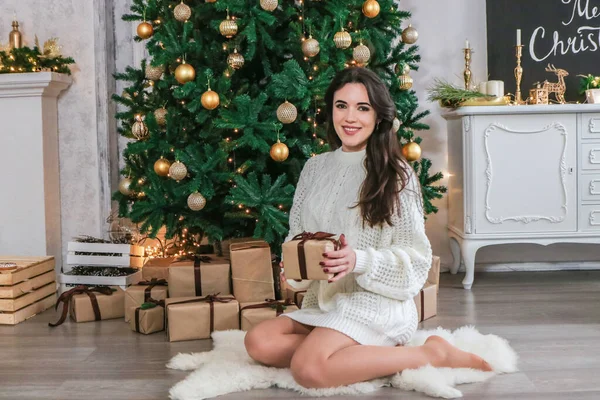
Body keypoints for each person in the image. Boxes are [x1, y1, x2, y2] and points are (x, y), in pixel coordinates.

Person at [244, 67, 492, 389]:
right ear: (331, 109)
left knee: (309, 370)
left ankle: (433, 354)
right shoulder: (314, 168)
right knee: (258, 342)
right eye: (341, 105)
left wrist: (357, 261)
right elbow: (298, 236)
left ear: (378, 117)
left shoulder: (396, 174)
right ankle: (364, 354)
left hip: (377, 304)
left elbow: (416, 261)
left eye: (363, 108)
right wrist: (294, 268)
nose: (350, 117)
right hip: (325, 302)